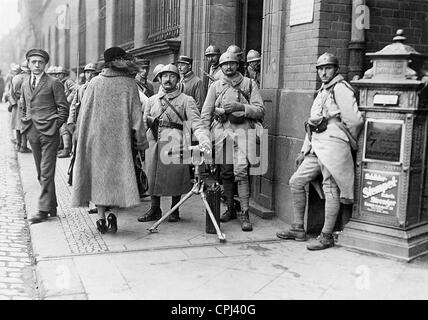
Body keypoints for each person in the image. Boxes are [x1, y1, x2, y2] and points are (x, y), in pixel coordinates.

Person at [276, 53, 364, 250]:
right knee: (296, 181)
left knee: (330, 188)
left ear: (336, 69)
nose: (324, 72)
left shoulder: (341, 88)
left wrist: (341, 135)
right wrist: (304, 150)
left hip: (333, 148)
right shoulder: (323, 90)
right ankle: (298, 228)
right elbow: (313, 123)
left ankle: (326, 235)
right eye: (320, 69)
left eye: (328, 68)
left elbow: (355, 120)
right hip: (316, 147)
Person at [71, 47, 148, 234]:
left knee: (99, 179)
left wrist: (79, 139)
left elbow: (84, 115)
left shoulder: (95, 83)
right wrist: (141, 142)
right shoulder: (130, 84)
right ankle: (113, 214)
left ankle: (100, 218)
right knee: (117, 178)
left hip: (95, 141)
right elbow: (137, 118)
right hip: (121, 142)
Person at [137, 64, 211, 223]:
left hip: (175, 141)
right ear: (159, 79)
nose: (167, 79)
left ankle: (175, 209)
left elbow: (196, 124)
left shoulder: (187, 100)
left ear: (178, 79)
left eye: (172, 76)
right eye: (164, 76)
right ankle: (154, 208)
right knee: (152, 174)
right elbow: (143, 123)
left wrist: (204, 139)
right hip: (154, 142)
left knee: (175, 176)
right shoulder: (151, 100)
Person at [201, 52, 265, 232]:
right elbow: (206, 112)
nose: (228, 67)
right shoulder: (215, 86)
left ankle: (245, 212)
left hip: (243, 134)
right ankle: (230, 208)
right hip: (222, 134)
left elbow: (260, 110)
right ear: (220, 67)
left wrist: (241, 107)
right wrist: (204, 135)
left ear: (238, 65)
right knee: (226, 173)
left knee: (241, 172)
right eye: (225, 64)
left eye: (232, 63)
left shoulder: (249, 84)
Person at [21, 49, 69, 224]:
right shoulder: (25, 83)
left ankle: (42, 210)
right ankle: (52, 207)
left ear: (45, 64)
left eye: (40, 62)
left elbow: (63, 107)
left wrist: (55, 125)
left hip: (49, 134)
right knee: (41, 173)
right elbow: (24, 105)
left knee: (46, 172)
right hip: (32, 133)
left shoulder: (53, 83)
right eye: (33, 61)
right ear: (28, 63)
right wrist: (25, 123)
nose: (36, 65)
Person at [8, 60, 32, 153]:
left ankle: (18, 145)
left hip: (17, 103)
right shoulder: (30, 77)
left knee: (18, 125)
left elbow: (11, 92)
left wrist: (13, 103)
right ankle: (23, 146)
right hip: (26, 104)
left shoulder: (16, 77)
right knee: (25, 125)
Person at [56, 66, 76, 158]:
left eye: (59, 74)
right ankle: (64, 147)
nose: (57, 75)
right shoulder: (60, 83)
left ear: (64, 74)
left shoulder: (68, 82)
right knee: (62, 128)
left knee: (65, 128)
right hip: (63, 108)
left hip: (68, 108)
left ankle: (67, 150)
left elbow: (76, 89)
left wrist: (68, 99)